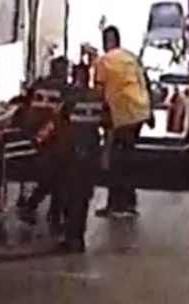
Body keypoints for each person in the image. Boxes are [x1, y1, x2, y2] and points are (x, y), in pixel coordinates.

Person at [94, 25, 152, 219]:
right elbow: (144, 81)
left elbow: (99, 92)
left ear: (107, 42)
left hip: (123, 114)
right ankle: (128, 202)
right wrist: (149, 112)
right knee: (127, 158)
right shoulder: (130, 57)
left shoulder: (103, 62)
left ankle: (117, 205)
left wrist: (100, 117)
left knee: (116, 161)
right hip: (138, 112)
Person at [50, 83, 106, 253]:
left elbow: (59, 123)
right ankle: (78, 238)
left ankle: (70, 237)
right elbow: (108, 123)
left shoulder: (69, 100)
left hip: (72, 152)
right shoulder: (99, 101)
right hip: (91, 152)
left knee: (70, 196)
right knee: (82, 198)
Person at [18, 56, 71, 233]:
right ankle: (47, 212)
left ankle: (52, 214)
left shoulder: (39, 84)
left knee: (56, 175)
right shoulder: (65, 90)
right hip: (48, 137)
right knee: (58, 175)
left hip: (30, 132)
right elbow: (60, 117)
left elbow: (24, 106)